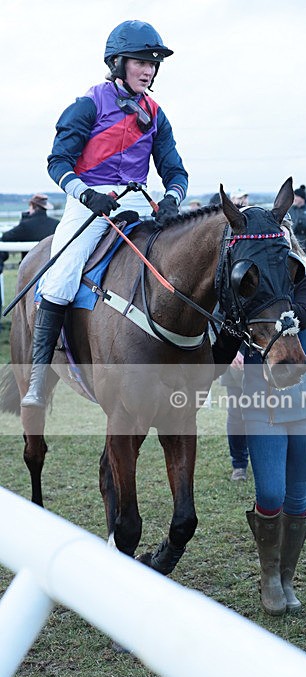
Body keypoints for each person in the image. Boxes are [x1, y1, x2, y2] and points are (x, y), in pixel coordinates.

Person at [21, 20, 189, 408]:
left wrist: (173, 199)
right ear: (117, 63)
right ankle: (36, 378)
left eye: (153, 63)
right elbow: (58, 161)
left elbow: (175, 170)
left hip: (137, 202)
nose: (148, 70)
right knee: (61, 278)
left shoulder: (157, 114)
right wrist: (86, 194)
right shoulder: (87, 104)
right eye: (140, 62)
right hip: (87, 203)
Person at [212, 218, 306, 616]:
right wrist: (227, 347)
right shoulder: (243, 296)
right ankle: (268, 577)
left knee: (297, 498)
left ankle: (285, 578)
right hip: (261, 403)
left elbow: (294, 317)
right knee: (270, 495)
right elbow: (219, 352)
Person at [0, 194, 59, 318]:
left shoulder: (25, 226)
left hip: (30, 276)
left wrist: (24, 220)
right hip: (54, 274)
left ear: (32, 206)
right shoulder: (56, 224)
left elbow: (5, 238)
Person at [220, 348, 249, 481]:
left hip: (264, 353)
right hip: (235, 357)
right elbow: (216, 326)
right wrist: (232, 352)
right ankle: (239, 464)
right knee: (236, 414)